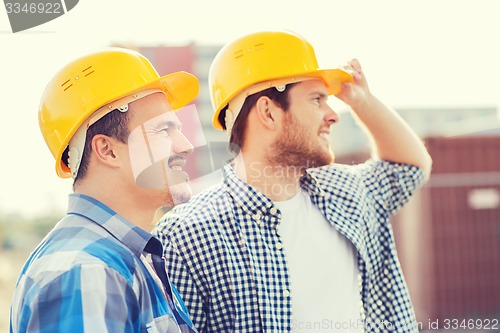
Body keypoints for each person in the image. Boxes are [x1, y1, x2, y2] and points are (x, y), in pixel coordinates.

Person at [153, 31, 432, 332]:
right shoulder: (187, 236)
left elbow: (410, 168)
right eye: (317, 100)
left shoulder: (345, 190)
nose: (332, 115)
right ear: (269, 112)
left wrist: (362, 101)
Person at [10, 48, 200, 333]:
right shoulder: (88, 273)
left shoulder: (126, 260)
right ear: (108, 150)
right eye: (163, 131)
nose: (186, 145)